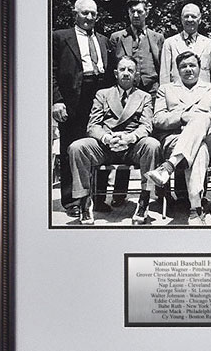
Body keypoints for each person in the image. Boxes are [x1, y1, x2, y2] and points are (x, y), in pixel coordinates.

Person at [67, 56, 161, 225]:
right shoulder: (102, 94)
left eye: (130, 70)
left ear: (136, 75)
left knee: (152, 145)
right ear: (116, 73)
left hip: (131, 147)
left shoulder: (144, 97)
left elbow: (146, 126)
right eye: (123, 70)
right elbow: (93, 125)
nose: (126, 73)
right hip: (106, 146)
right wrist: (107, 138)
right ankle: (84, 201)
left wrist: (129, 138)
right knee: (77, 147)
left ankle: (144, 200)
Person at [146, 51, 211, 225]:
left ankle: (168, 167)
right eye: (183, 66)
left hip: (210, 139)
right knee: (199, 149)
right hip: (175, 141)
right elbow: (158, 119)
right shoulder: (166, 90)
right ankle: (195, 208)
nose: (188, 69)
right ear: (177, 70)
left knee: (202, 118)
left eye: (192, 65)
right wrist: (183, 117)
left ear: (200, 68)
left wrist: (200, 119)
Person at [52, 0, 112, 218]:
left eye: (93, 13)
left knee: (102, 145)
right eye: (85, 13)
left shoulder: (104, 41)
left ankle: (98, 198)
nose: (89, 17)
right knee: (72, 148)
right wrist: (56, 100)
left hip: (100, 97)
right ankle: (73, 201)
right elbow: (51, 71)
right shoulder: (59, 37)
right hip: (72, 99)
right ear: (75, 13)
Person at [109, 0, 164, 208]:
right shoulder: (117, 38)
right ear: (128, 14)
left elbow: (162, 67)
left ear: (147, 12)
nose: (136, 14)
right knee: (123, 133)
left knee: (153, 141)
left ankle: (159, 192)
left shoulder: (157, 37)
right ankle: (120, 192)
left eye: (140, 11)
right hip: (126, 93)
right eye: (133, 11)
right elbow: (112, 69)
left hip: (151, 92)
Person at [160, 3, 211, 84]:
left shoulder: (209, 44)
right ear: (181, 19)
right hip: (177, 93)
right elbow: (164, 74)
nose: (190, 20)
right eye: (186, 16)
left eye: (193, 16)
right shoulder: (170, 43)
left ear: (200, 19)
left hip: (203, 93)